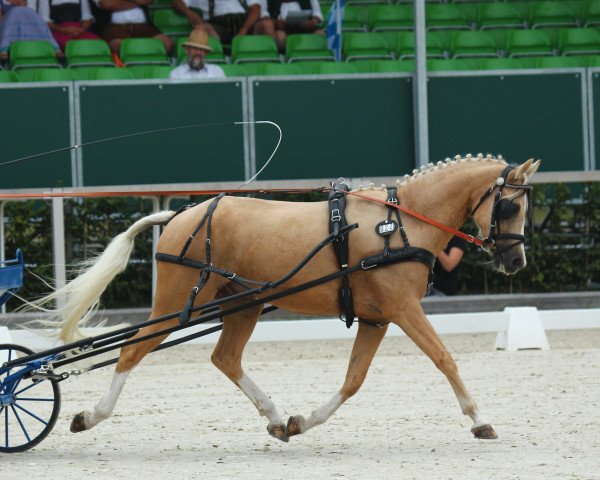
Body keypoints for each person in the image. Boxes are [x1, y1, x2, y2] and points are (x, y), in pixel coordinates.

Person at [171, 0, 274, 47]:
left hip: (245, 24)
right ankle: (215, 62)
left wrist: (244, 29)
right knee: (200, 29)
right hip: (219, 28)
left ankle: (273, 64)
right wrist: (188, 12)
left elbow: (256, 9)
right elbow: (176, 2)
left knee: (267, 24)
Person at [93, 0, 173, 55]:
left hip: (143, 27)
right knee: (119, 46)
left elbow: (148, 0)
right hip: (116, 29)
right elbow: (105, 4)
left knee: (166, 44)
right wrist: (138, 2)